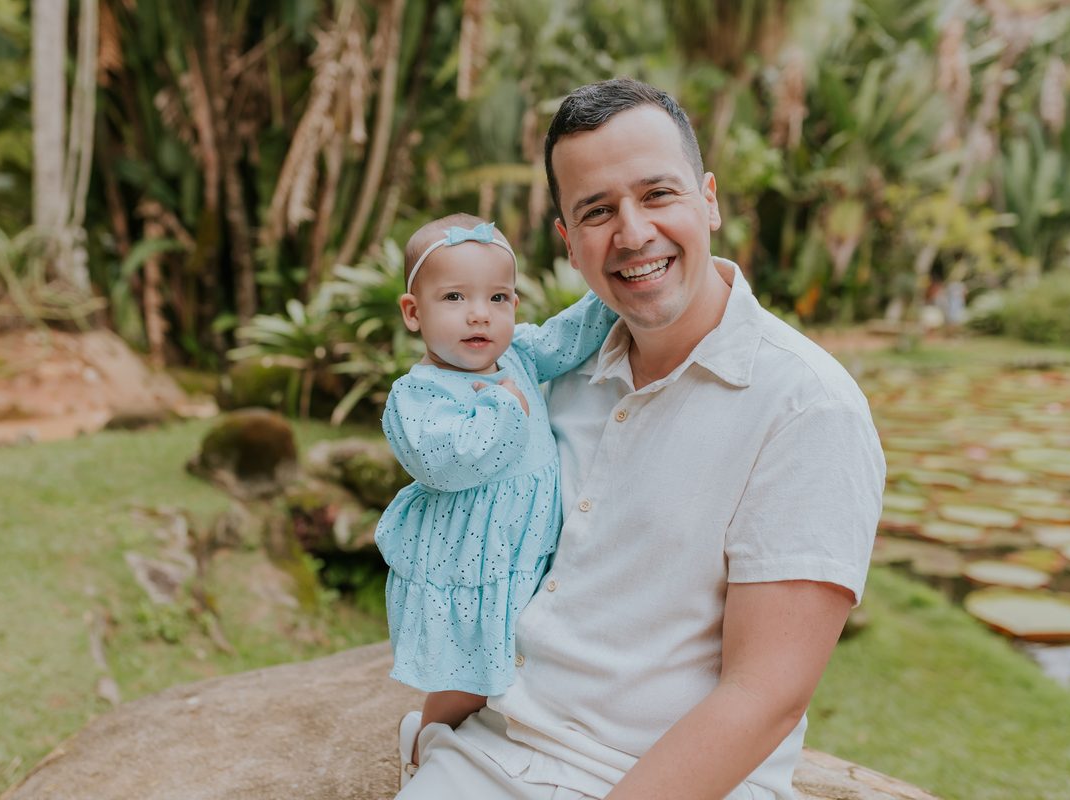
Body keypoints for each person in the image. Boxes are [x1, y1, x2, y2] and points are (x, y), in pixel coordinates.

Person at [395, 79, 885, 800]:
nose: (632, 233)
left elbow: (765, 696)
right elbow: (489, 564)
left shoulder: (808, 407)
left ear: (708, 200)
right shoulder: (548, 380)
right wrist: (437, 732)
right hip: (492, 755)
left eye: (658, 194)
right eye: (597, 211)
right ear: (568, 242)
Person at [374, 213, 618, 785]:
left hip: (524, 556)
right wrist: (505, 405)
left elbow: (568, 336)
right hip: (468, 567)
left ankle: (478, 749)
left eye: (498, 297)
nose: (480, 313)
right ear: (413, 312)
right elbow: (452, 461)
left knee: (517, 671)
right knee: (464, 683)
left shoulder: (518, 357)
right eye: (454, 297)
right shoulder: (418, 396)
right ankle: (424, 750)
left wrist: (613, 289)